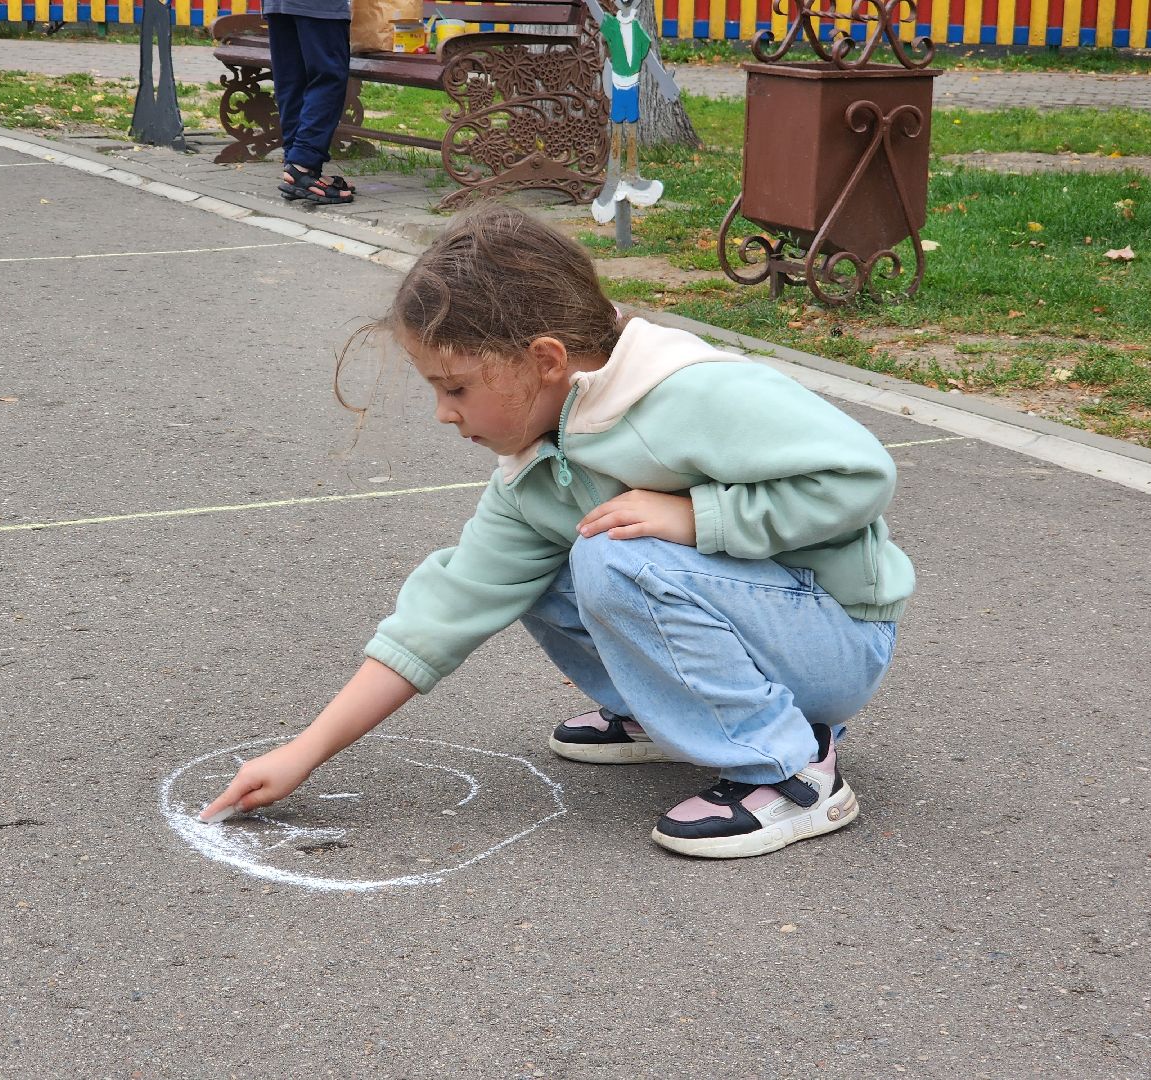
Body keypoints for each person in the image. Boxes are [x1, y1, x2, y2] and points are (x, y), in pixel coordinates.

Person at [203, 204, 912, 859]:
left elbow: (860, 476)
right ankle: (670, 714)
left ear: (544, 360)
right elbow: (447, 612)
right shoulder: (535, 468)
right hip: (765, 630)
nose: (445, 413)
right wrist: (306, 750)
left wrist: (699, 516)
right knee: (542, 568)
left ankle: (790, 769)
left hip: (837, 636)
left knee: (614, 554)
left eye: (455, 387)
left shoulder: (692, 392)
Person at [266, 0, 355, 205]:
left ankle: (297, 168)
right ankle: (303, 166)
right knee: (328, 78)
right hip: (319, 7)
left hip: (277, 5)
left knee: (291, 80)